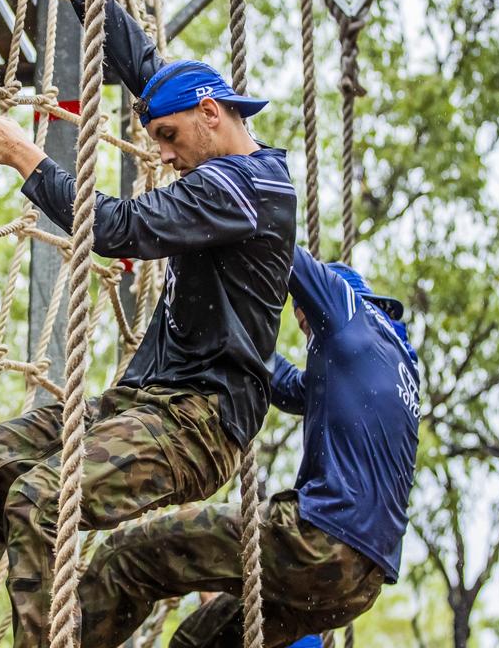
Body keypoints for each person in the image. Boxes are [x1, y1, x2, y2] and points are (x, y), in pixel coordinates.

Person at [0, 0, 297, 648]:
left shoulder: (244, 187)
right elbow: (143, 66)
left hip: (197, 425)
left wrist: (26, 157)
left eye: (170, 139)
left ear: (211, 114)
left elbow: (113, 230)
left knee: (41, 499)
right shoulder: (207, 144)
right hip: (138, 404)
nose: (165, 155)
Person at [76, 247, 421, 648]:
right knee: (198, 640)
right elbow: (290, 386)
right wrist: (233, 329)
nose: (303, 327)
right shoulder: (392, 363)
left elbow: (277, 232)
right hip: (359, 583)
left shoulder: (346, 309)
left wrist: (214, 216)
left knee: (126, 556)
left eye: (307, 321)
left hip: (318, 536)